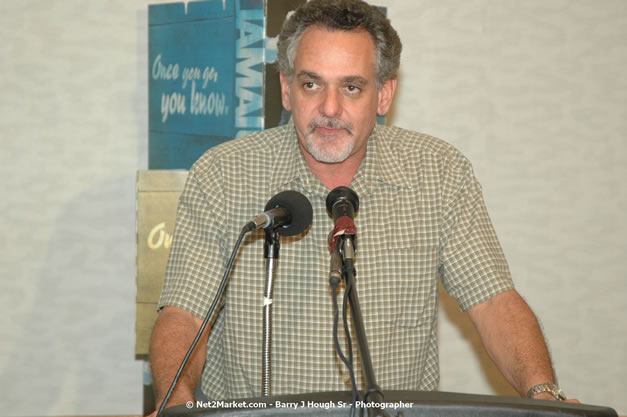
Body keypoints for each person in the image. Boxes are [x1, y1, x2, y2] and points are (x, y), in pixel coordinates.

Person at [149, 0, 574, 413]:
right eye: (311, 84)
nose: (329, 109)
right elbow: (185, 314)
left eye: (351, 87)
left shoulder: (439, 173)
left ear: (385, 94)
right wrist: (176, 406)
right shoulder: (223, 174)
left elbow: (494, 303)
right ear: (286, 88)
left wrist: (544, 396)